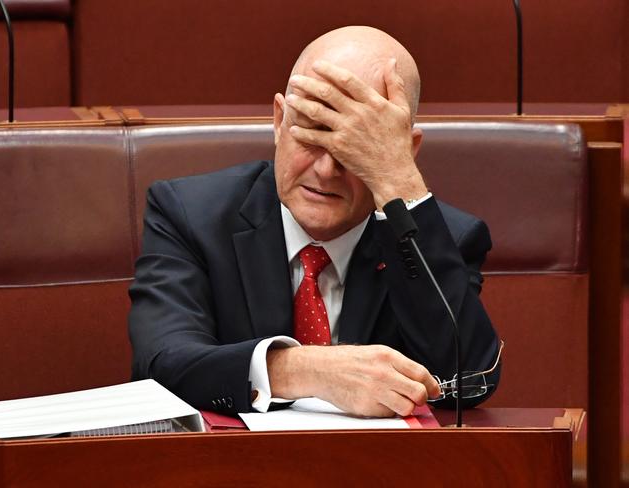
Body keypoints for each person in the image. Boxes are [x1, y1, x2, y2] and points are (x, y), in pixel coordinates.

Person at [129, 26, 501, 418]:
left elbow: (469, 379)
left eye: (354, 149)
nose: (325, 171)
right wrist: (308, 370)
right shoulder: (191, 214)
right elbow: (161, 364)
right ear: (278, 120)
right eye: (312, 136)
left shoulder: (442, 239)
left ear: (402, 151)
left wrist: (398, 182)